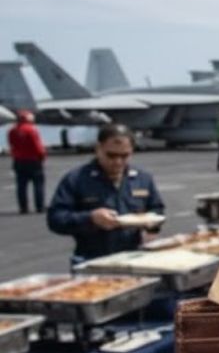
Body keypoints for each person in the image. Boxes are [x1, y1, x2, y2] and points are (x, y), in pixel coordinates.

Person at [47, 123, 164, 262]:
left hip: (133, 257)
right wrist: (90, 218)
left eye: (124, 156)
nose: (118, 162)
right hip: (91, 259)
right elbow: (56, 219)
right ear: (98, 149)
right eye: (111, 155)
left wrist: (152, 227)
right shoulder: (77, 179)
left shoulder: (142, 179)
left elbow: (156, 209)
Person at [7, 109, 46, 214]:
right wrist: (42, 156)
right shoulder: (31, 130)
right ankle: (40, 206)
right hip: (33, 160)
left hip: (19, 160)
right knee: (38, 184)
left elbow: (12, 145)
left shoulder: (12, 130)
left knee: (21, 186)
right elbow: (37, 146)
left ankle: (23, 207)